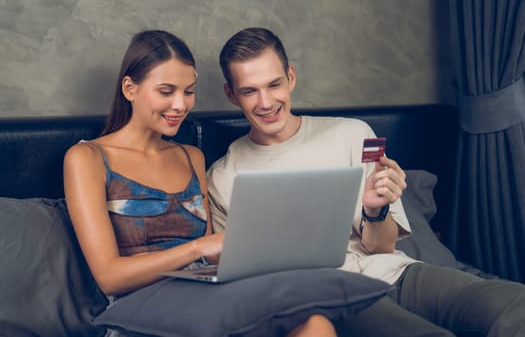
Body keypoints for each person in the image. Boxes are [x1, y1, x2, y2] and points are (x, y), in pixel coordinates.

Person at [207, 27, 525, 336]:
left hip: (392, 272)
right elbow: (239, 279)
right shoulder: (223, 177)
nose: (265, 102)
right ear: (231, 95)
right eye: (250, 90)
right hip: (324, 295)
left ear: (291, 77)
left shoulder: (352, 134)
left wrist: (375, 209)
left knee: (514, 303)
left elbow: (381, 246)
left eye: (273, 84)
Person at [63, 29, 338, 337]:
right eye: (166, 92)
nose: (180, 105)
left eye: (188, 91)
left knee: (315, 324)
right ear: (130, 88)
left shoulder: (191, 156)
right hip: (141, 310)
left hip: (209, 300)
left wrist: (258, 248)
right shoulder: (87, 157)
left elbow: (213, 257)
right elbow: (109, 277)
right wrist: (197, 248)